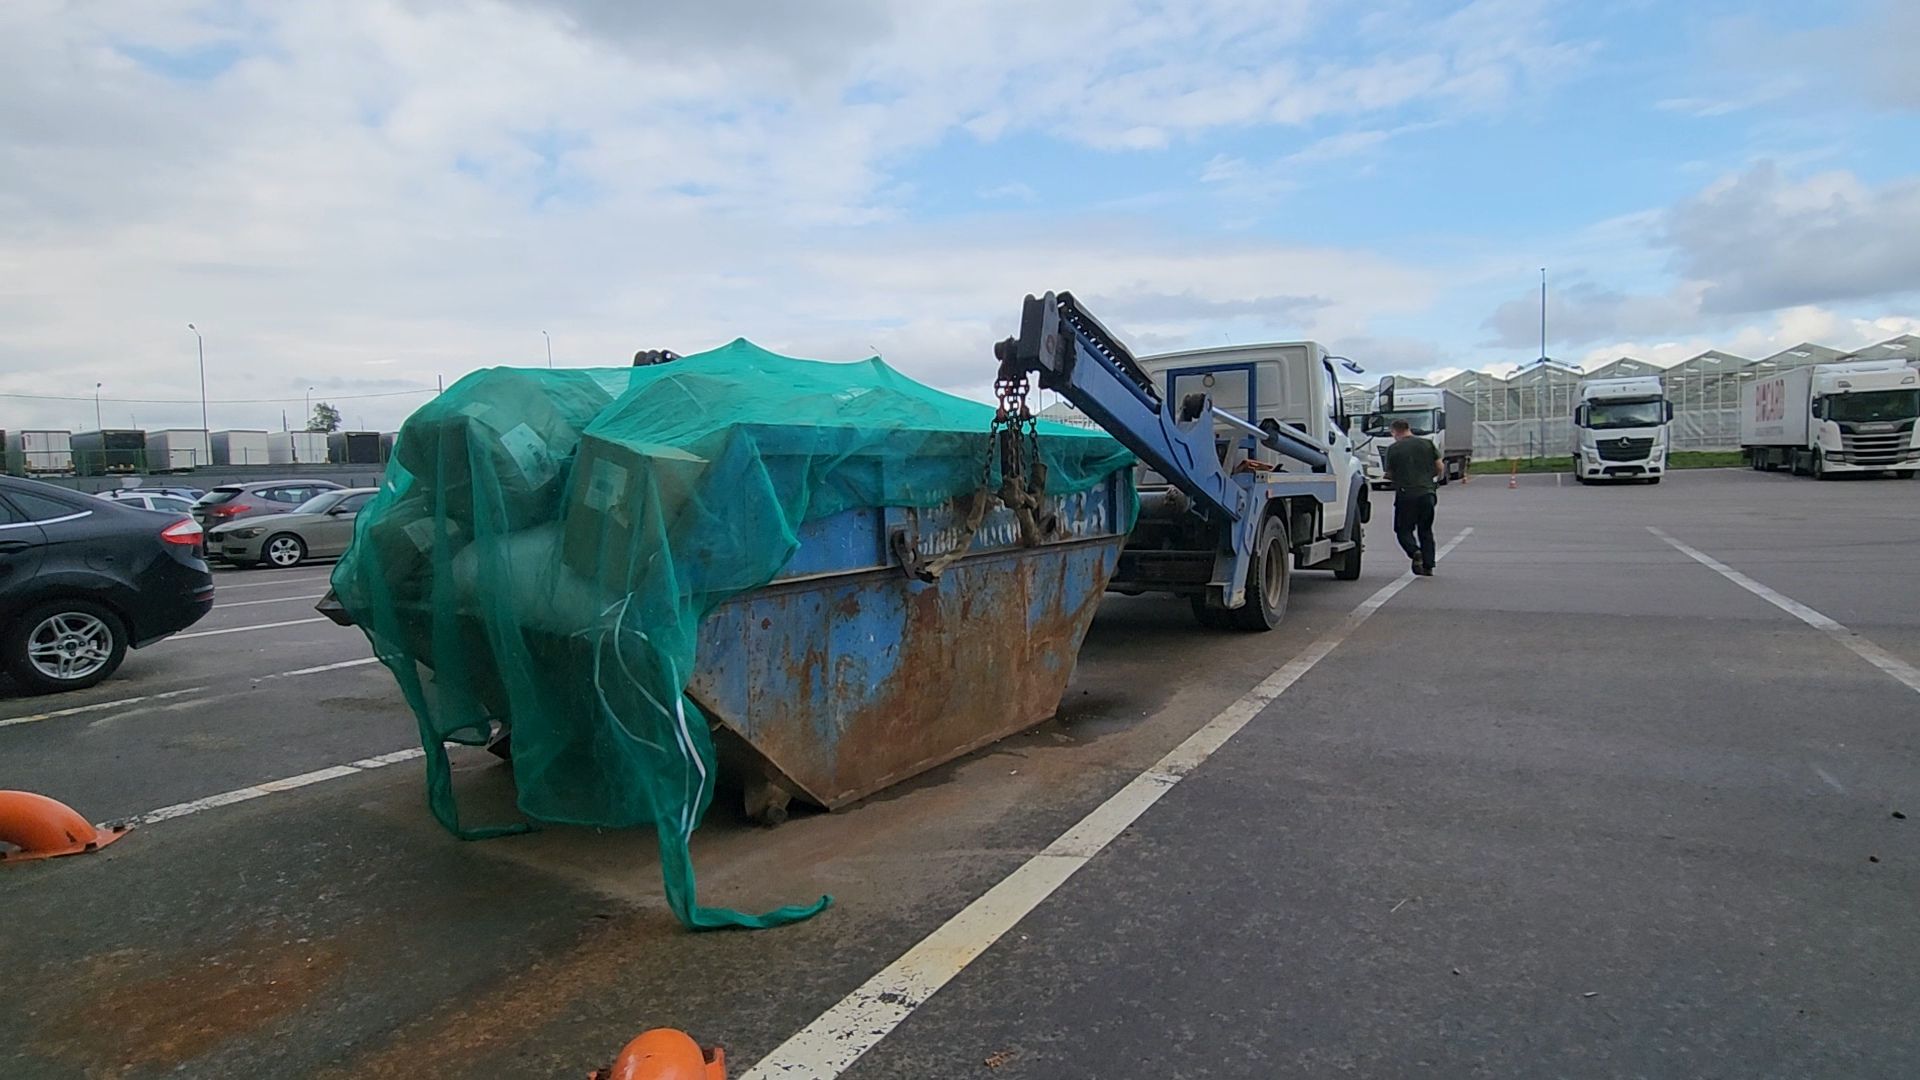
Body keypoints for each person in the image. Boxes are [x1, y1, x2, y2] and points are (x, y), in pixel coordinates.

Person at [1381, 418, 1442, 576]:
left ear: (1394, 431)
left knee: (1403, 530)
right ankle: (1428, 566)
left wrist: (1394, 478)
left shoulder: (1393, 449)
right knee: (1426, 530)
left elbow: (1389, 474)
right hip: (1427, 493)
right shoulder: (1427, 444)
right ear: (1409, 428)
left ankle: (1415, 552)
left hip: (1406, 494)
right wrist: (1428, 478)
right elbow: (1439, 467)